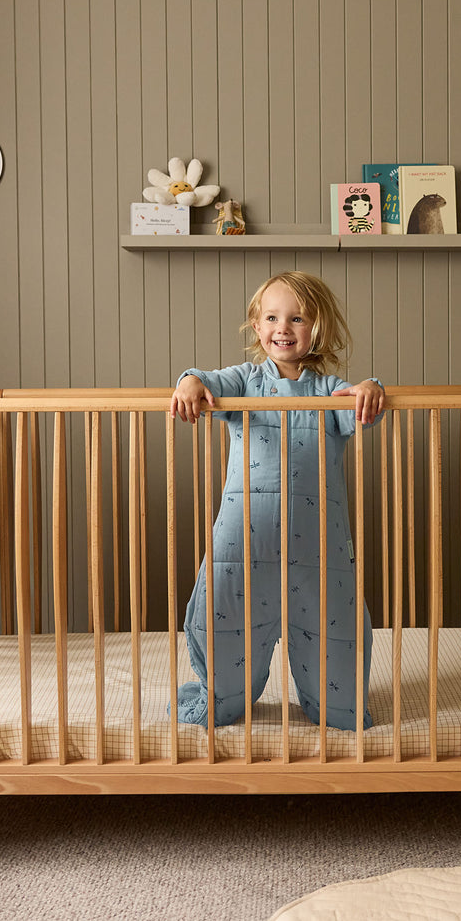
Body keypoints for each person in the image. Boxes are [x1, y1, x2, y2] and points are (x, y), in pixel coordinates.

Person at [169, 271, 385, 731]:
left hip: (317, 548)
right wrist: (188, 382)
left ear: (318, 327)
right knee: (227, 624)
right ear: (256, 325)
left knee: (333, 634)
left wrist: (370, 387)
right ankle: (223, 696)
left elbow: (359, 406)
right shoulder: (243, 381)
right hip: (244, 541)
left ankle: (336, 706)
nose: (282, 327)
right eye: (271, 317)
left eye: (297, 318)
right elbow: (203, 377)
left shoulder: (329, 391)